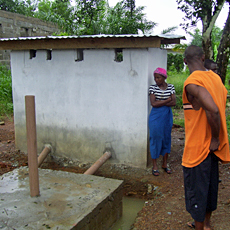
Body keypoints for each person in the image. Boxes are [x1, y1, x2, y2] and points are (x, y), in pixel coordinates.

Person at [182, 45, 230, 230]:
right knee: (209, 190)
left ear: (185, 61)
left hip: (198, 150)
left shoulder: (192, 82)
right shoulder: (216, 79)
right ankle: (207, 225)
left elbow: (212, 109)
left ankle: (200, 227)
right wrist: (216, 140)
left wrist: (215, 138)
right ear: (203, 58)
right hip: (212, 149)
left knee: (197, 195)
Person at [148, 67, 176, 176]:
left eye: (158, 77)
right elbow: (153, 104)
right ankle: (154, 165)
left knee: (166, 137)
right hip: (155, 115)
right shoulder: (152, 88)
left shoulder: (171, 87)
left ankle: (165, 163)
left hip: (167, 115)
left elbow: (174, 103)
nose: (156, 80)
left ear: (164, 77)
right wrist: (168, 99)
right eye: (155, 78)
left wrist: (161, 101)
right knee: (155, 137)